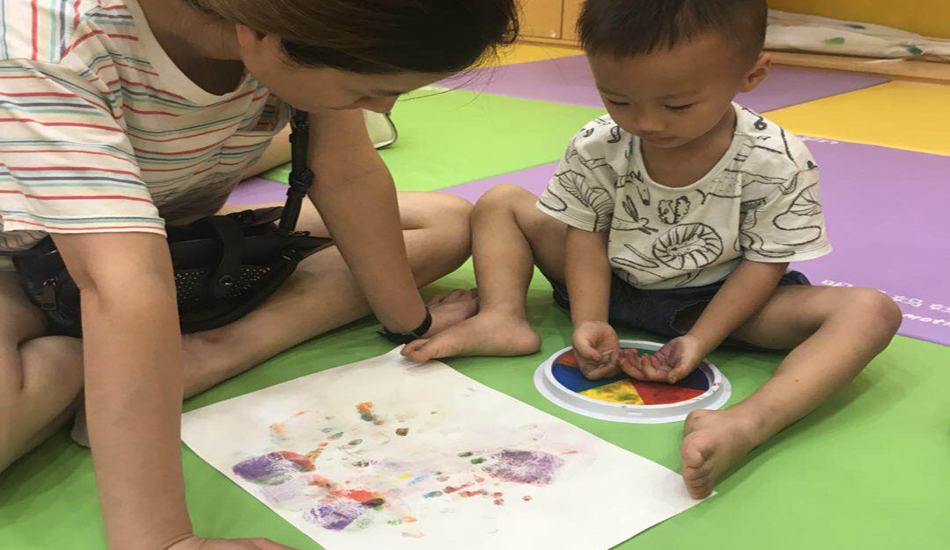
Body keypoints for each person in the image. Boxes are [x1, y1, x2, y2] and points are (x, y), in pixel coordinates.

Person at [0, 0, 517, 548]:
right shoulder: (51, 46)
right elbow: (121, 285)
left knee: (443, 222)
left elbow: (347, 175)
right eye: (368, 91)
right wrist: (163, 541)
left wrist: (411, 325)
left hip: (175, 238)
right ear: (265, 34)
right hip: (21, 260)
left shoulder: (294, 27)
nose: (383, 107)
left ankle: (204, 352)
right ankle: (95, 361)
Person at [402, 0, 902, 500]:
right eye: (618, 100)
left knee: (870, 311)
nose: (645, 122)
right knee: (501, 201)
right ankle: (502, 317)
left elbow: (763, 263)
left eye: (677, 106)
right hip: (608, 279)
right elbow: (586, 234)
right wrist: (589, 319)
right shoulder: (599, 141)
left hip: (713, 302)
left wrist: (701, 339)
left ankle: (747, 423)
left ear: (751, 75)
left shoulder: (777, 159)